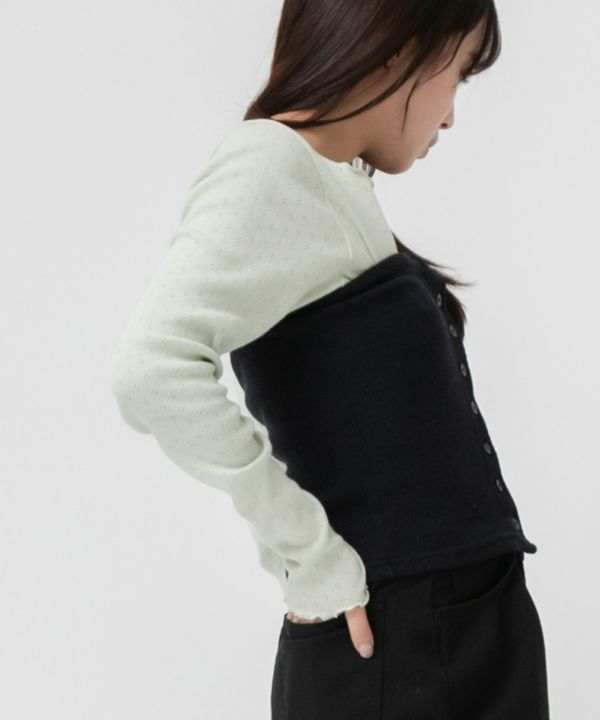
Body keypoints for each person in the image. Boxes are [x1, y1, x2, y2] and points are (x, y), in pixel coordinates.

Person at [110, 1, 550, 717]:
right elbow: (150, 369)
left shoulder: (333, 181)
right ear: (398, 46)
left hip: (457, 625)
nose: (449, 117)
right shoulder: (271, 164)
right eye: (459, 74)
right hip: (398, 641)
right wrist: (311, 561)